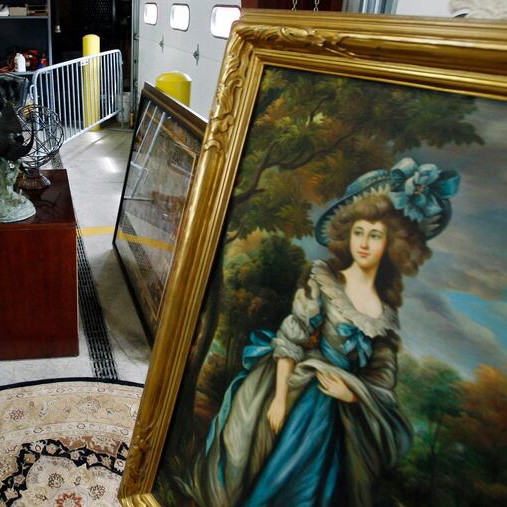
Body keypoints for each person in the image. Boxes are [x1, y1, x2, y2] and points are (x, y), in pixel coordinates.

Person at [185, 158, 460, 506]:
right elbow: (292, 337)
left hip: (343, 417)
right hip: (304, 393)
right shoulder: (325, 281)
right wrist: (280, 399)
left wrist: (354, 394)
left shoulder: (386, 315)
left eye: (375, 236)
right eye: (359, 232)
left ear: (392, 245)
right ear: (348, 234)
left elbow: (383, 377)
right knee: (285, 478)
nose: (364, 243)